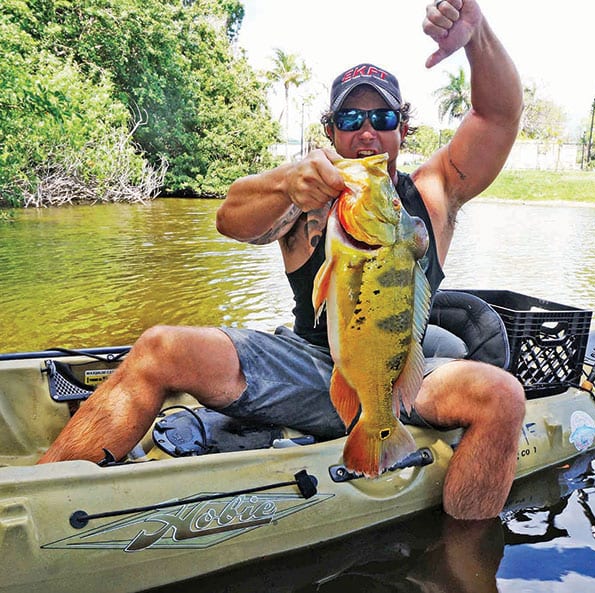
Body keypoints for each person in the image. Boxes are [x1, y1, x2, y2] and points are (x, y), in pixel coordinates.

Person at [39, 0, 525, 521]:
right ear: (331, 132)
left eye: (382, 117)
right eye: (350, 118)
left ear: (402, 129)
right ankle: (40, 494)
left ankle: (464, 554)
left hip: (401, 371)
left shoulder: (433, 193)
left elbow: (497, 115)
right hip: (311, 364)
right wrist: (285, 184)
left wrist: (477, 36)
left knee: (502, 396)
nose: (366, 132)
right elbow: (230, 218)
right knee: (160, 347)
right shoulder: (304, 195)